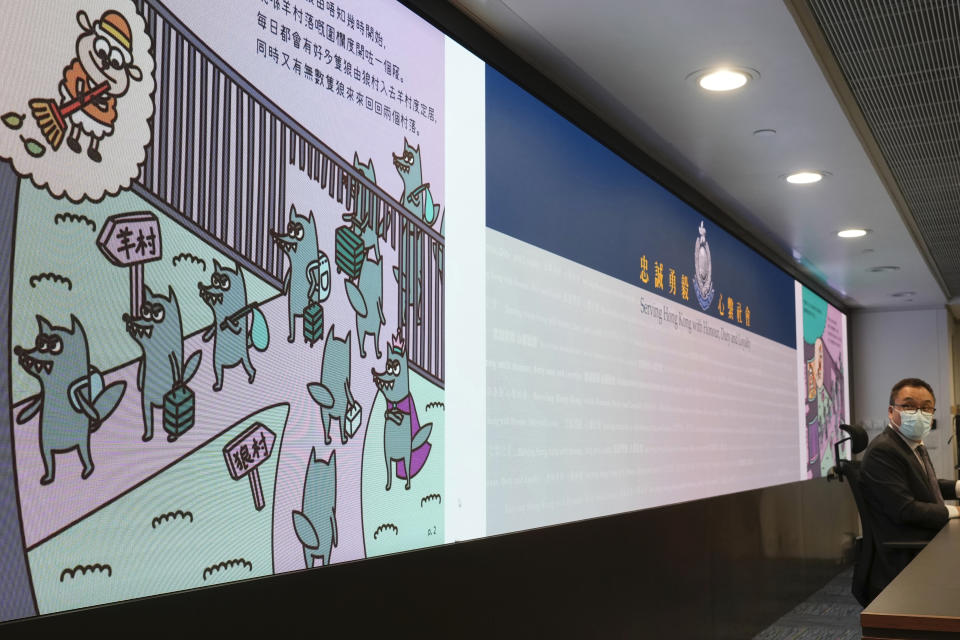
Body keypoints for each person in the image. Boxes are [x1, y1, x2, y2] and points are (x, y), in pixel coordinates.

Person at [859, 377, 960, 602]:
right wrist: (956, 512)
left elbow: (926, 484)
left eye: (925, 408)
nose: (918, 413)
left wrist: (957, 487)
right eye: (909, 406)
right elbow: (905, 509)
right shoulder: (883, 451)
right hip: (907, 552)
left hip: (924, 539)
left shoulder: (911, 445)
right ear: (891, 410)